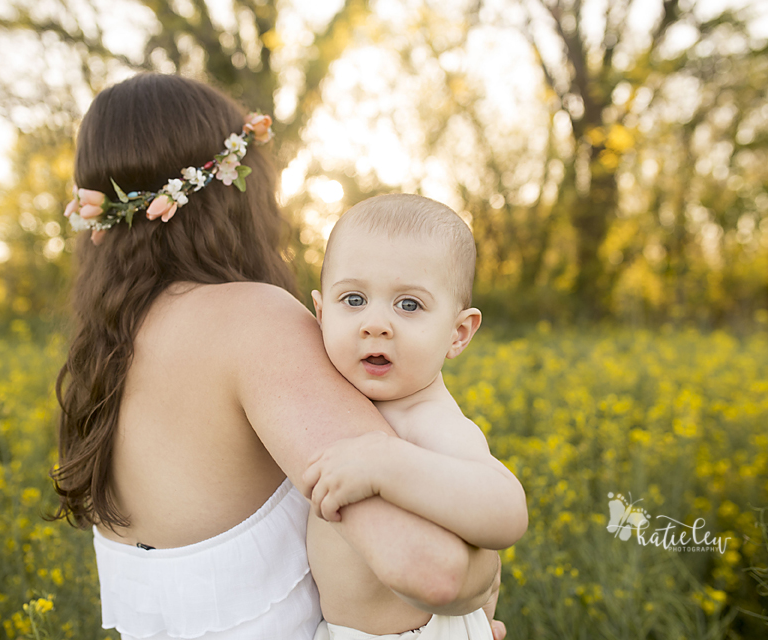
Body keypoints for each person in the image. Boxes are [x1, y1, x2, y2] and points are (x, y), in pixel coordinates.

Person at [50, 73, 506, 640]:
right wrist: (480, 585)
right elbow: (432, 571)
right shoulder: (255, 321)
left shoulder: (105, 355)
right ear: (236, 186)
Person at [302, 194, 528, 640]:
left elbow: (508, 512)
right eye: (354, 298)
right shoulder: (328, 396)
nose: (375, 324)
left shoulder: (426, 419)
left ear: (458, 333)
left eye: (408, 305)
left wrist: (387, 464)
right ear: (321, 313)